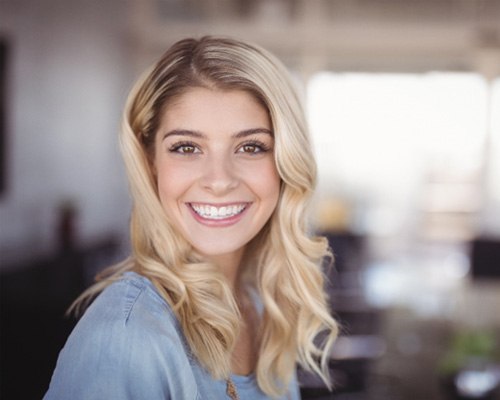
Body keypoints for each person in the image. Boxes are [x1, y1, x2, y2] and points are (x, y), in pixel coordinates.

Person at [44, 36, 338, 400]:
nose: (219, 180)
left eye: (250, 147)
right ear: (151, 161)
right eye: (187, 147)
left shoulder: (260, 306)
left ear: (285, 162)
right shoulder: (126, 336)